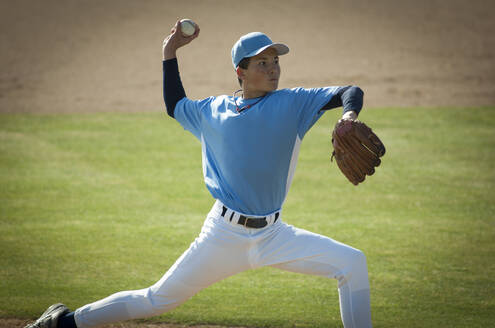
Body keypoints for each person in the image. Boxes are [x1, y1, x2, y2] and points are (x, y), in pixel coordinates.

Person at [25, 20, 372, 328]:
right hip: (222, 236)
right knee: (157, 299)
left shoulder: (294, 104)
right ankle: (64, 323)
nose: (273, 69)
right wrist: (169, 52)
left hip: (275, 235)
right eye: (262, 63)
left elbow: (348, 91)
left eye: (276, 61)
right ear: (241, 72)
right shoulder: (212, 110)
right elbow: (175, 104)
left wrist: (348, 116)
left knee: (351, 263)